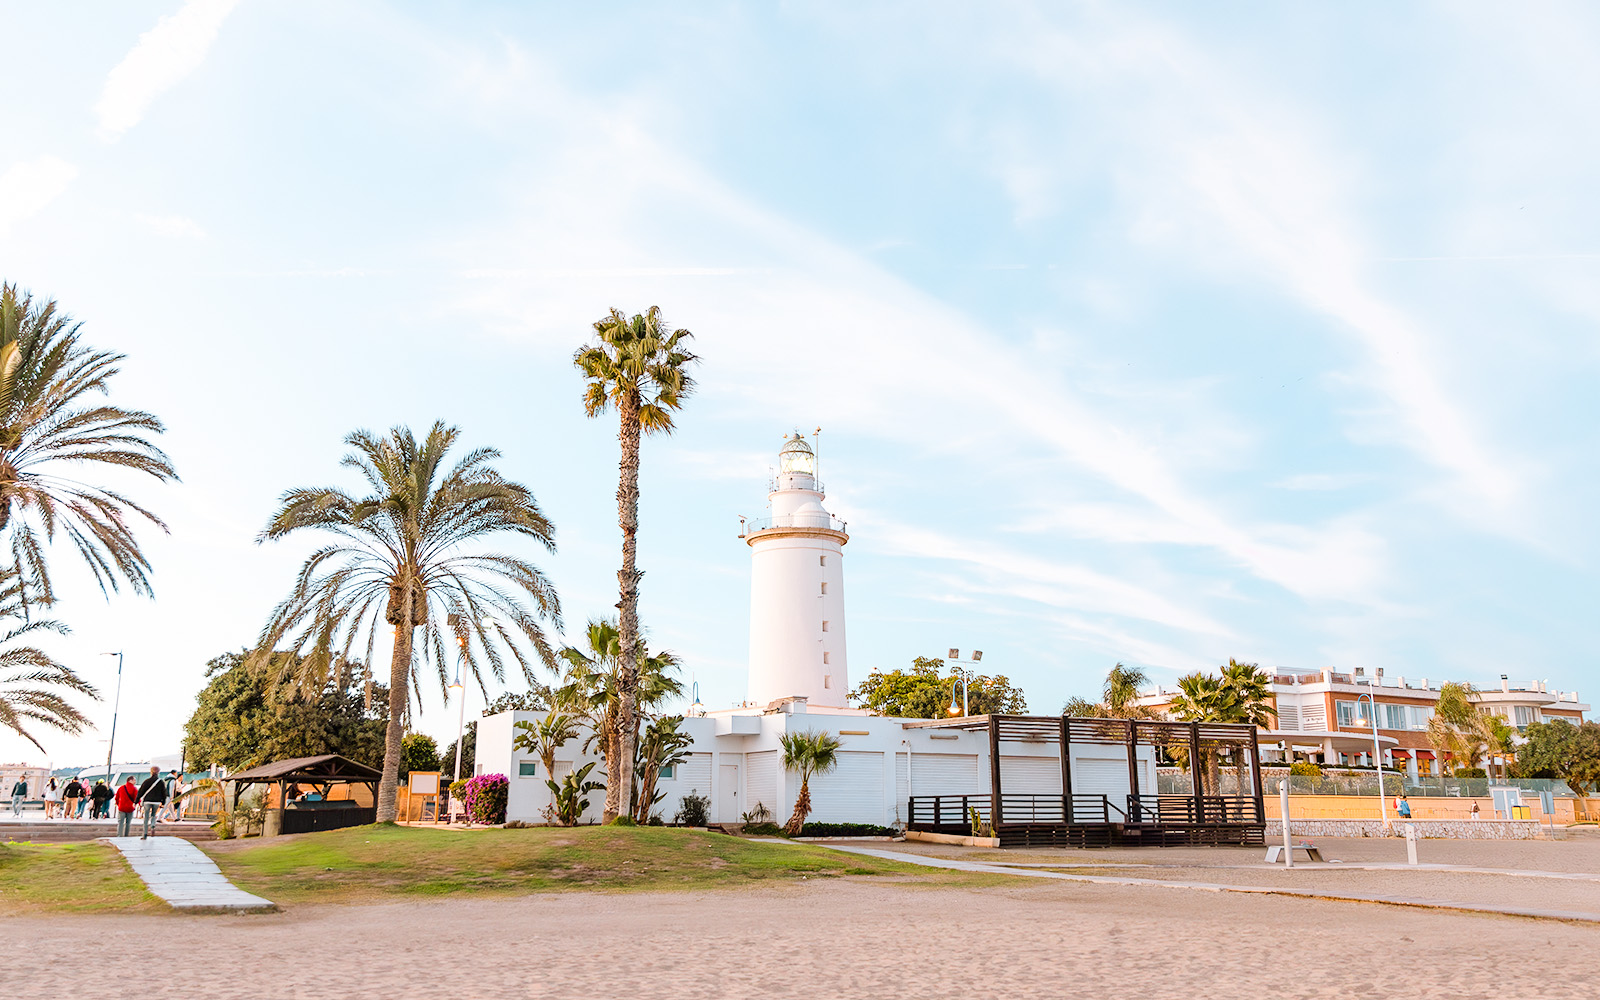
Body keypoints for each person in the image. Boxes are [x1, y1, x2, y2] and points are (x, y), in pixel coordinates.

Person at [135, 766, 168, 839]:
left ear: (151, 772)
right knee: (153, 815)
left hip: (147, 801)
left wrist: (136, 801)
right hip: (156, 802)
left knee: (146, 817)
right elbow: (164, 793)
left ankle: (144, 834)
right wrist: (163, 802)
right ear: (158, 772)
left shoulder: (147, 781)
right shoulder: (161, 782)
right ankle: (153, 825)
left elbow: (141, 791)